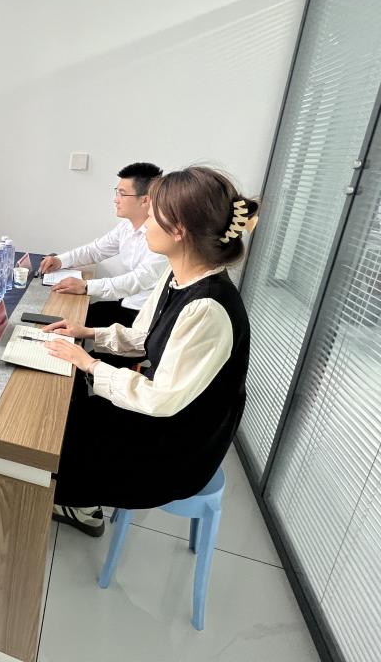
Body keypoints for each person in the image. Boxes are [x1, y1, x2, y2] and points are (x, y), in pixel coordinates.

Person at [42, 166, 258, 537]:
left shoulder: (208, 307)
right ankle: (64, 493)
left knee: (60, 438)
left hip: (179, 448)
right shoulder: (178, 276)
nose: (145, 225)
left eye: (154, 216)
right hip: (164, 415)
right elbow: (143, 335)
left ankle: (74, 504)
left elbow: (160, 399)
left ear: (179, 230)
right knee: (67, 412)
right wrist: (87, 332)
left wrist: (90, 363)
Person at [38, 163, 169, 329]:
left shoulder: (162, 238)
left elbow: (138, 280)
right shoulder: (126, 227)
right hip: (126, 302)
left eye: (122, 194)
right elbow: (95, 250)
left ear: (145, 200)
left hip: (142, 317)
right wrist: (60, 260)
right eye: (117, 192)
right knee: (60, 318)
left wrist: (86, 286)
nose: (116, 200)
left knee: (65, 323)